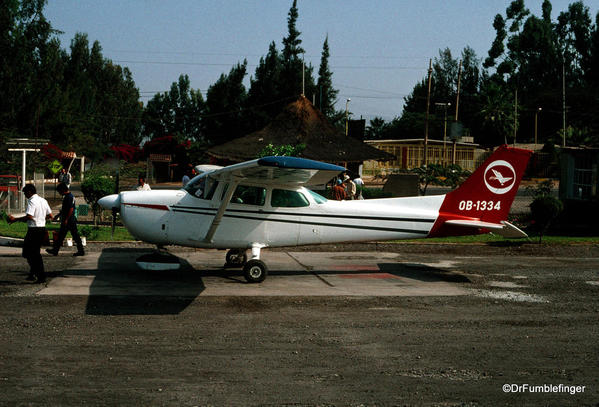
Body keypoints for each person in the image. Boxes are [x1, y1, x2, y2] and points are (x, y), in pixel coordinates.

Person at [8, 184, 53, 283]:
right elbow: (50, 215)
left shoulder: (32, 201)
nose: (25, 195)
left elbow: (29, 216)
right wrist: (40, 219)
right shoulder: (43, 200)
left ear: (29, 192)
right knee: (34, 253)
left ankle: (40, 276)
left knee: (30, 254)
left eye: (25, 193)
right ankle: (33, 273)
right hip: (42, 229)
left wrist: (15, 219)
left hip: (34, 230)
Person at [46, 182, 84, 257]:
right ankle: (55, 250)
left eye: (59, 191)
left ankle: (80, 251)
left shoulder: (69, 197)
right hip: (69, 219)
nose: (59, 193)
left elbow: (71, 209)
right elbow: (65, 209)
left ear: (63, 190)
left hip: (69, 220)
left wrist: (66, 219)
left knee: (73, 236)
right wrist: (58, 215)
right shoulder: (68, 196)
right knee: (62, 236)